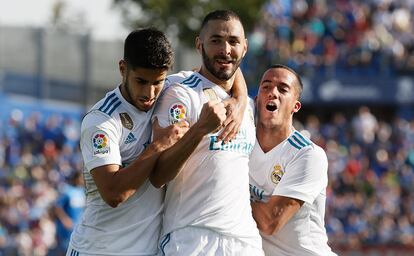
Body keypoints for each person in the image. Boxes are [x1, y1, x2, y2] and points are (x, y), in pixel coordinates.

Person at [66, 28, 189, 256]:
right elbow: (113, 193)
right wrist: (158, 147)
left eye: (157, 82)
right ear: (123, 68)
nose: (149, 92)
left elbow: (220, 69)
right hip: (97, 251)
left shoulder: (170, 89)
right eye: (141, 81)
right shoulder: (101, 121)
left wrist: (240, 99)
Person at [151, 10, 264, 255]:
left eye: (233, 42)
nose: (225, 50)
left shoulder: (247, 105)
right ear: (199, 44)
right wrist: (201, 129)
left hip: (245, 241)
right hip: (192, 238)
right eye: (216, 41)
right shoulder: (180, 92)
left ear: (245, 47)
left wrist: (241, 98)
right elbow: (159, 176)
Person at [249, 64, 336, 255]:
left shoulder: (308, 154)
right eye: (266, 86)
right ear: (257, 100)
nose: (273, 92)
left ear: (295, 106)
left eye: (283, 89)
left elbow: (270, 221)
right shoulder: (241, 144)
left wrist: (221, 194)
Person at [53, 171, 85, 255]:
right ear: (76, 179)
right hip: (66, 230)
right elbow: (57, 207)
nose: (82, 180)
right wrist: (64, 219)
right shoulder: (67, 191)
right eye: (80, 178)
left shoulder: (83, 191)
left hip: (78, 228)